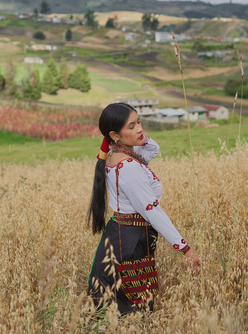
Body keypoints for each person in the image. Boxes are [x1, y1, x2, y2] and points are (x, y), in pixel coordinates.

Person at [87, 102, 200, 315]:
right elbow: (153, 212)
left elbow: (153, 149)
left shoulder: (118, 153)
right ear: (115, 135)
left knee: (121, 305)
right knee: (134, 309)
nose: (140, 129)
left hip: (120, 233)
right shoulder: (128, 167)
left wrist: (124, 136)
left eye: (139, 122)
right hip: (132, 240)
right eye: (131, 126)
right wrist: (185, 249)